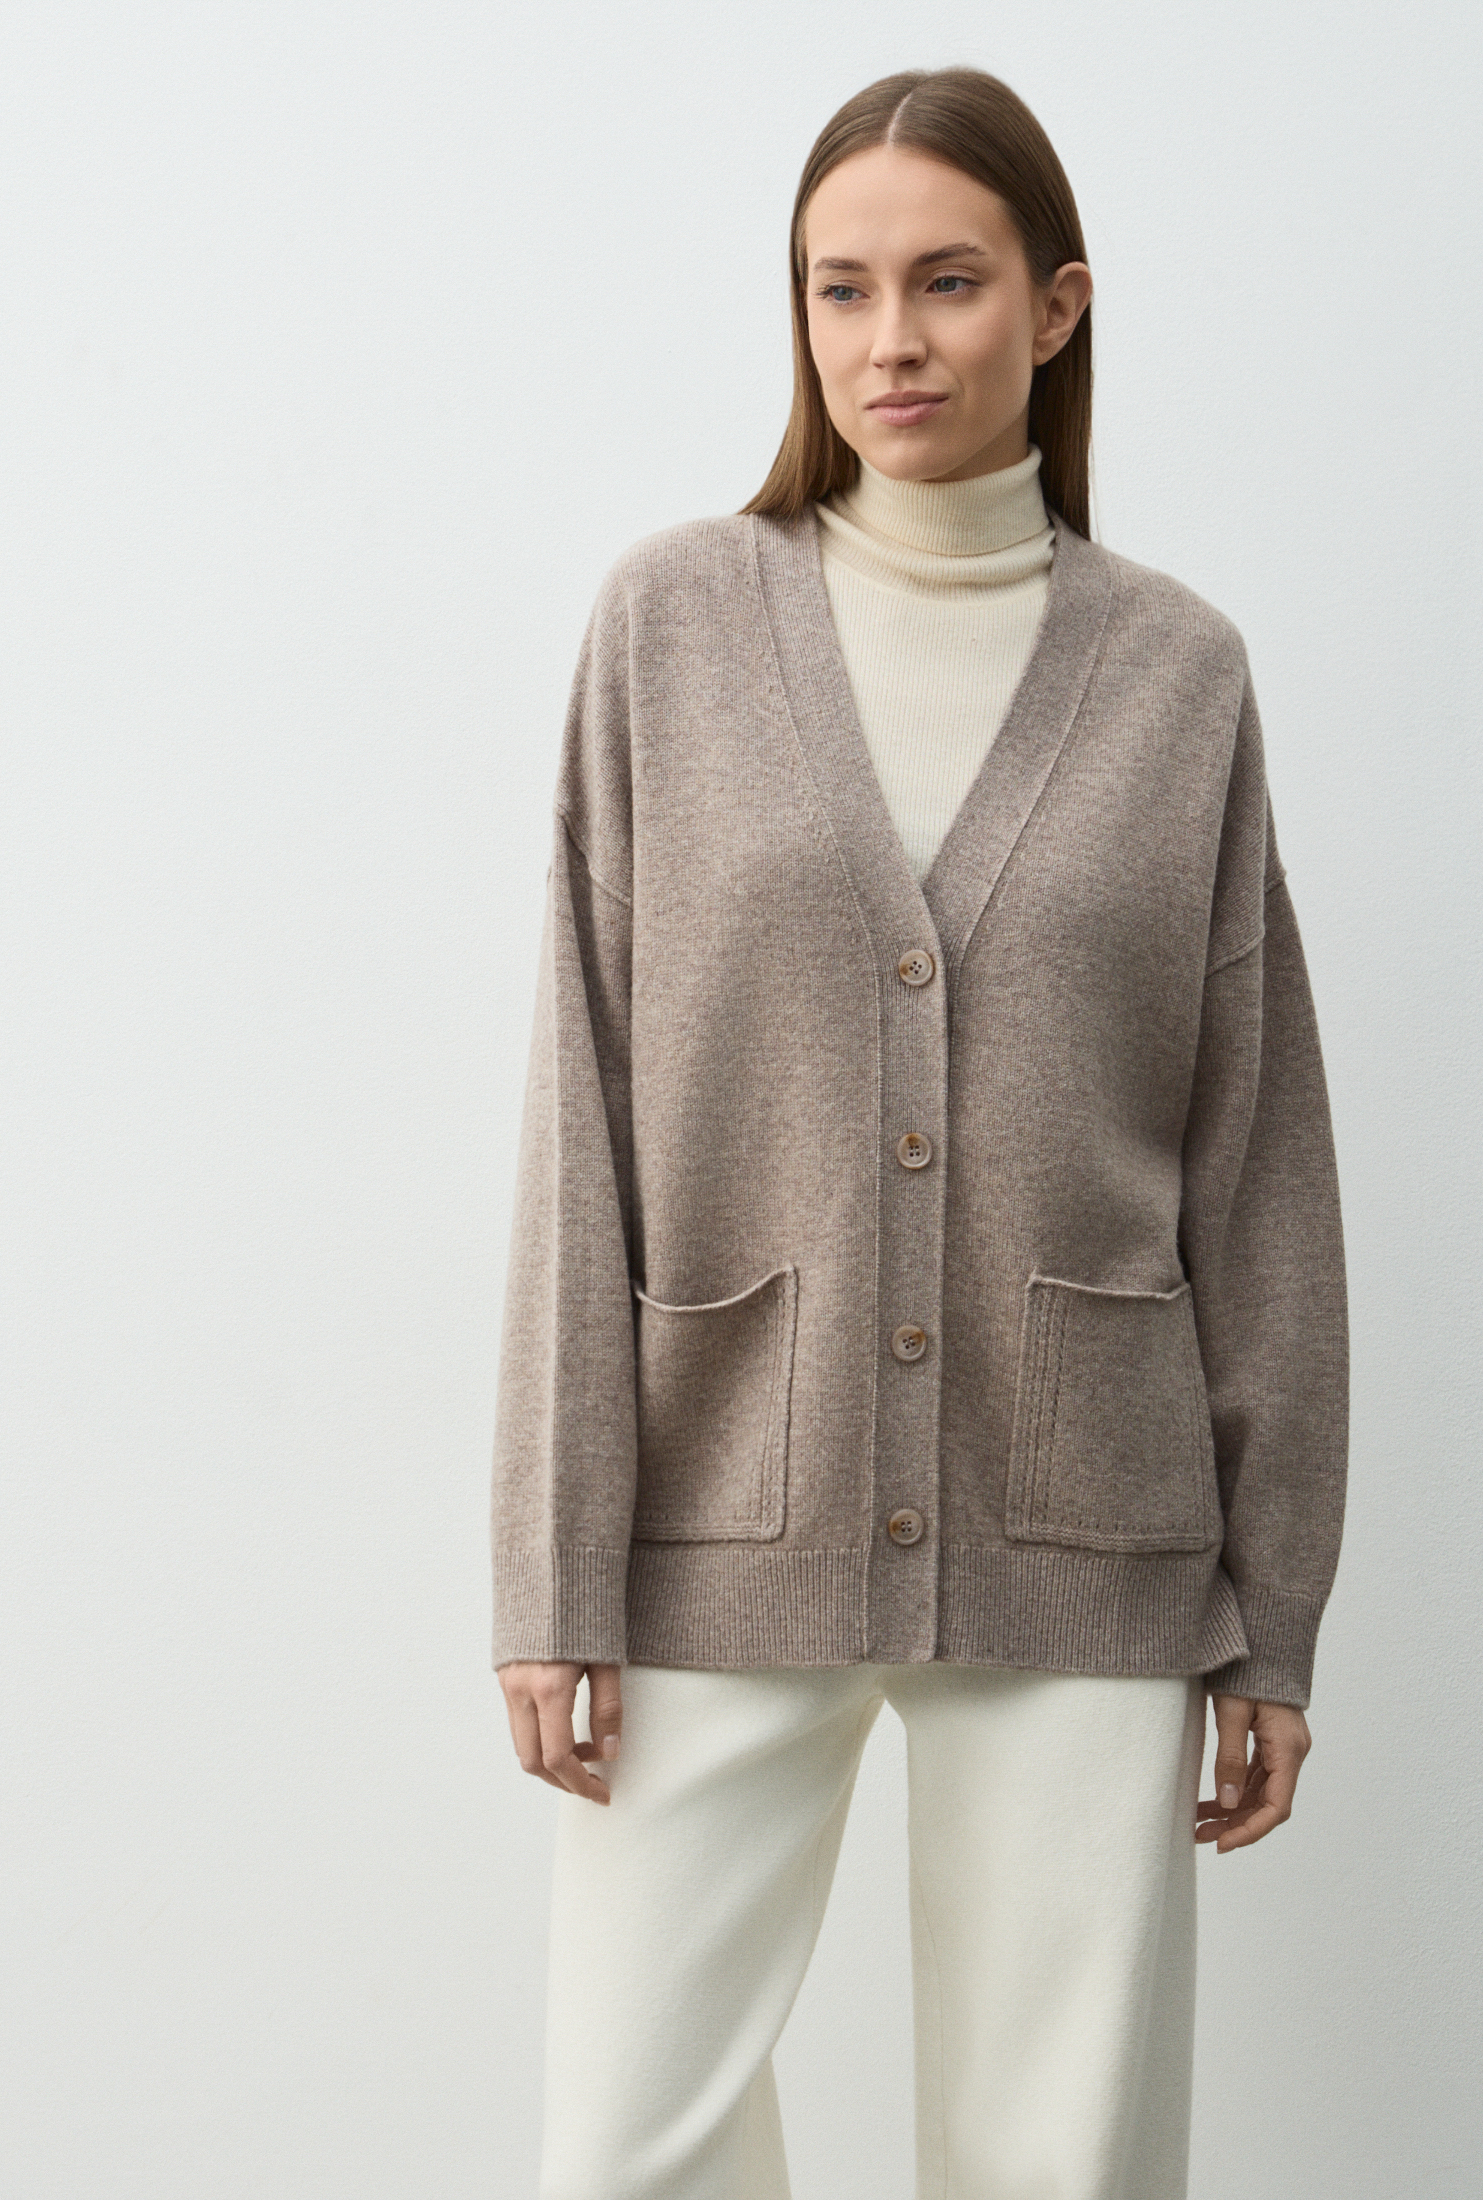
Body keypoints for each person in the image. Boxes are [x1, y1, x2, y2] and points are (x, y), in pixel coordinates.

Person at [487, 64, 1348, 2200]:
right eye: (839, 288)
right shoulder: (672, 626)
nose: (889, 341)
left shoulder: (1178, 676)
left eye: (948, 283)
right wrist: (550, 1561)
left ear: (1055, 307)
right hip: (717, 1496)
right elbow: (581, 1108)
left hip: (1090, 1526)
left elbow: (1255, 1164)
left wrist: (1274, 1608)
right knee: (629, 2145)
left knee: (1061, 2156)